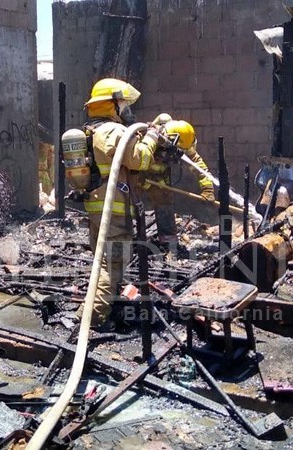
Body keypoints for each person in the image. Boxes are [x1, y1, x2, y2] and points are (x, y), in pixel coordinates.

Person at [77, 78, 163, 329]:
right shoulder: (113, 132)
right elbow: (141, 160)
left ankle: (103, 304)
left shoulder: (90, 130)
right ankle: (91, 318)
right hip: (113, 210)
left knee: (102, 260)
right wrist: (152, 137)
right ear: (110, 105)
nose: (126, 109)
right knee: (111, 264)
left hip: (97, 207)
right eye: (122, 104)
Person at [130, 115, 215, 243]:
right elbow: (132, 159)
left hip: (158, 177)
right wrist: (135, 177)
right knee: (130, 203)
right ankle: (128, 238)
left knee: (164, 202)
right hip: (135, 175)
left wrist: (207, 188)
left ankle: (168, 241)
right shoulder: (148, 137)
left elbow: (198, 165)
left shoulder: (183, 141)